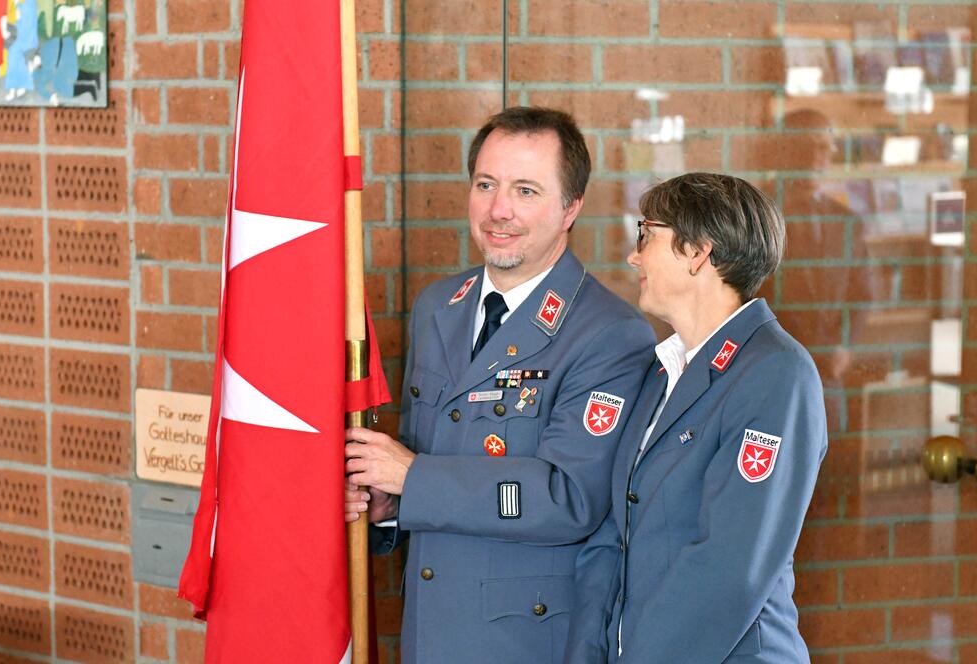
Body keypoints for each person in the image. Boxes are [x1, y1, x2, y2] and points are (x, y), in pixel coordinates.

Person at [344, 107, 656, 663]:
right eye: (486, 184)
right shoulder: (439, 306)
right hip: (427, 633)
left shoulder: (609, 334)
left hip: (522, 642)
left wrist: (416, 477)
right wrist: (388, 499)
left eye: (527, 190)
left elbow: (570, 498)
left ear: (571, 208)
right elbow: (420, 465)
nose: (499, 210)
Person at [568, 173, 827, 663]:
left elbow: (728, 568)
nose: (634, 255)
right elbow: (613, 535)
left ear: (698, 252)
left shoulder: (776, 372)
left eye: (646, 235)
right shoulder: (663, 371)